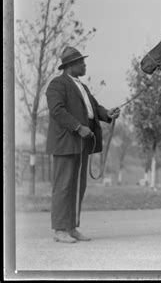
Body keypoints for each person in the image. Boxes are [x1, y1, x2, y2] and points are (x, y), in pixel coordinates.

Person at [46, 46, 120, 243]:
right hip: (66, 143)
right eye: (81, 62)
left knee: (78, 187)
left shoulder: (83, 87)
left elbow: (94, 108)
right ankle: (60, 230)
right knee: (63, 187)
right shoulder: (57, 84)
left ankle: (71, 228)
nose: (85, 65)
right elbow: (57, 111)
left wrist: (107, 114)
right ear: (70, 66)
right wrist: (78, 127)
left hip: (82, 145)